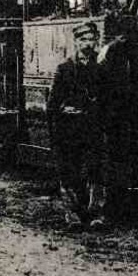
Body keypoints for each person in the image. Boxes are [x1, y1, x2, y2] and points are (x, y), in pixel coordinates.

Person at [48, 21, 107, 229]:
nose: (87, 44)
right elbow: (53, 104)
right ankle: (72, 214)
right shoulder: (64, 69)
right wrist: (58, 126)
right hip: (69, 129)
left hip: (93, 127)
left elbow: (110, 98)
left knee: (95, 170)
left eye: (91, 40)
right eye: (83, 40)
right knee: (69, 171)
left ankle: (96, 214)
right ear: (76, 42)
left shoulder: (101, 68)